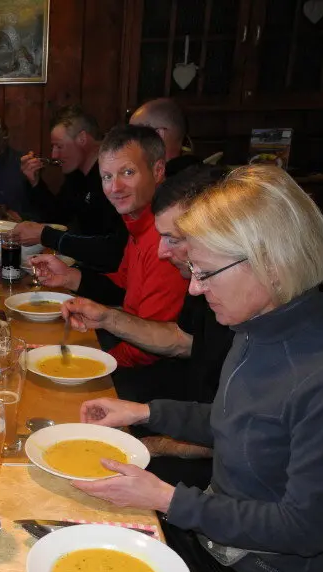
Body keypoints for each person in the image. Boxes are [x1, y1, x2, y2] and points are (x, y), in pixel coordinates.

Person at [73, 165, 323, 572]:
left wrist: (167, 499)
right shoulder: (260, 323)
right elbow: (234, 420)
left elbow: (303, 528)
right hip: (227, 545)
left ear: (272, 263)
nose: (193, 290)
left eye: (205, 272)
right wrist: (144, 411)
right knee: (86, 539)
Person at [60, 165, 232, 488]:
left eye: (172, 239)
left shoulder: (249, 315)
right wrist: (108, 317)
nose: (161, 252)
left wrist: (150, 445)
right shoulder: (204, 286)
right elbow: (182, 339)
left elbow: (235, 438)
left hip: (211, 472)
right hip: (183, 422)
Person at [30, 124, 189, 378]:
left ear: (158, 171)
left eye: (127, 172)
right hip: (133, 355)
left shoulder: (167, 240)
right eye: (107, 177)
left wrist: (83, 363)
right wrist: (69, 276)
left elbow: (150, 348)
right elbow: (122, 286)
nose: (115, 188)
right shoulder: (137, 223)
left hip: (159, 376)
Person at [12, 105, 128, 273]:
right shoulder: (77, 176)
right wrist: (35, 182)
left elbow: (113, 249)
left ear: (82, 138)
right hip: (86, 269)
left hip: (111, 277)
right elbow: (58, 217)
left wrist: (45, 235)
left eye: (59, 146)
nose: (54, 155)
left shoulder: (113, 180)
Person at [129, 98, 202, 176]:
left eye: (134, 135)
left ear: (158, 135)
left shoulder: (163, 181)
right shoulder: (200, 171)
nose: (129, 142)